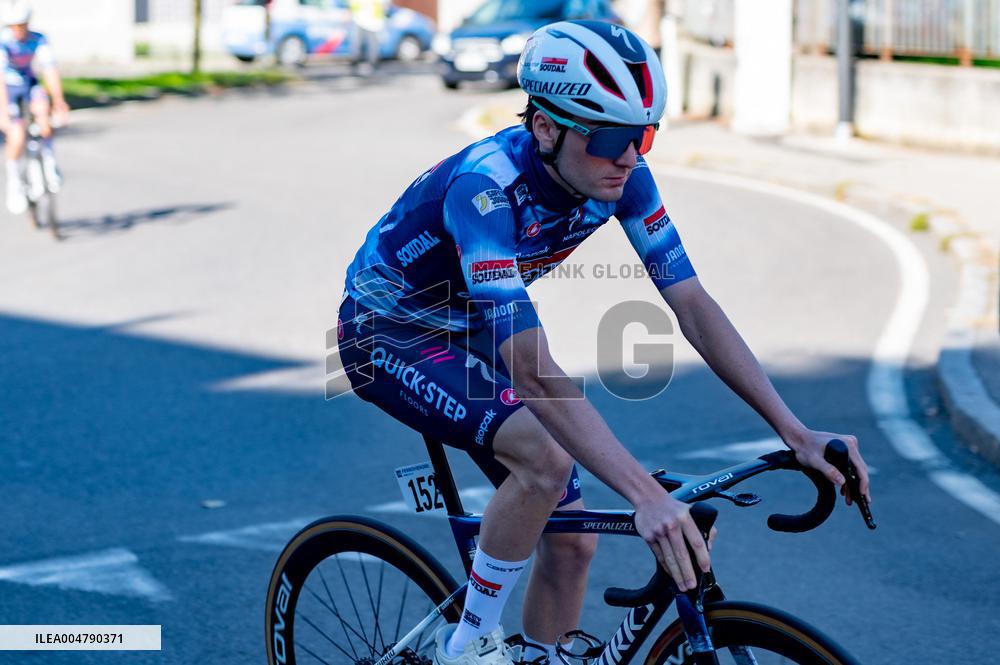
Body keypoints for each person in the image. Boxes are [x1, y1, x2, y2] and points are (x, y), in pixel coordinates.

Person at [336, 20, 872, 665]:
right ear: (545, 128)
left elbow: (693, 306)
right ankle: (468, 643)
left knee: (570, 542)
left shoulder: (624, 177)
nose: (629, 156)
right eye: (612, 138)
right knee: (545, 457)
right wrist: (645, 497)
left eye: (644, 135)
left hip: (470, 327)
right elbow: (534, 374)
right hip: (388, 332)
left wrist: (796, 430)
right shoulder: (484, 190)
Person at [0, 0, 68, 214]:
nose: (18, 30)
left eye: (22, 25)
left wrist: (58, 100)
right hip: (9, 88)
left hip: (29, 84)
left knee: (43, 114)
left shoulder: (38, 38)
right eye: (14, 26)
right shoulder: (3, 41)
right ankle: (14, 183)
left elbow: (49, 70)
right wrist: (3, 113)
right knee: (17, 135)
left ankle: (49, 162)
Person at [348, 0, 385, 75]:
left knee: (370, 45)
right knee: (358, 43)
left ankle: (372, 63)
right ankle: (356, 63)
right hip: (361, 21)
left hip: (372, 23)